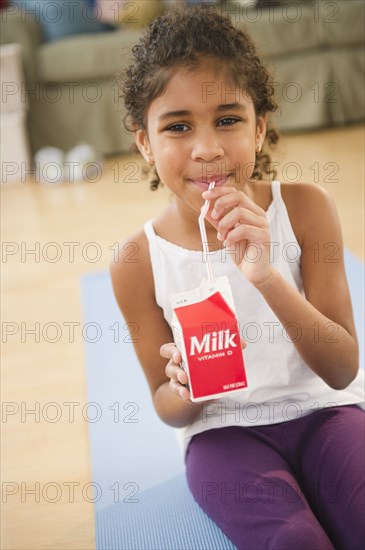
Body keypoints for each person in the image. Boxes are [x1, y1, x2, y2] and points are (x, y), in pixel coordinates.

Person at [110, 5, 364, 549]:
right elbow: (163, 403)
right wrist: (187, 386)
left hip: (326, 411)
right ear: (144, 143)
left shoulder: (306, 210)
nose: (208, 149)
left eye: (228, 119)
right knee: (295, 542)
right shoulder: (136, 260)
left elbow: (342, 370)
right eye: (178, 127)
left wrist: (265, 274)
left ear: (260, 127)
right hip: (223, 435)